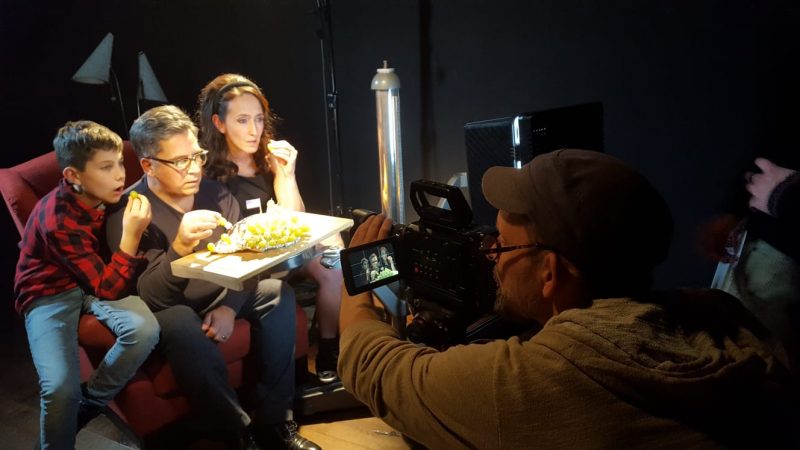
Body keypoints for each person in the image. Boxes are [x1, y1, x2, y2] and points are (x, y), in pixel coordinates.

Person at [337, 149, 797, 449]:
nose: (490, 256)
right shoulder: (719, 313)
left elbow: (376, 367)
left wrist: (358, 281)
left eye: (502, 244)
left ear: (550, 273)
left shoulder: (537, 380)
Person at [105, 106, 319, 450]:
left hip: (220, 292)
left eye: (197, 156)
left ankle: (275, 421)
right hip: (171, 307)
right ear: (148, 165)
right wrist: (179, 248)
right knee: (178, 319)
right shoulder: (130, 212)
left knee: (276, 292)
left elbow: (248, 259)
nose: (194, 169)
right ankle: (238, 432)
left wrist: (230, 307)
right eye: (180, 161)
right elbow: (151, 297)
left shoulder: (215, 193)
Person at [14, 121, 159, 449]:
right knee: (59, 388)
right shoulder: (58, 220)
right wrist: (131, 234)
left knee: (144, 329)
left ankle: (89, 404)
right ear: (73, 176)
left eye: (120, 163)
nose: (120, 174)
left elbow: (102, 282)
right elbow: (108, 288)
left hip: (94, 277)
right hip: (50, 290)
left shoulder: (111, 195)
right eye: (106, 167)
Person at [196, 73, 343, 381]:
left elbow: (295, 221)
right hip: (247, 261)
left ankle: (329, 350)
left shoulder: (269, 158)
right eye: (242, 120)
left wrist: (286, 176)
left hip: (283, 252)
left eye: (259, 119)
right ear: (219, 123)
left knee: (336, 257)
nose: (254, 130)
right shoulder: (207, 174)